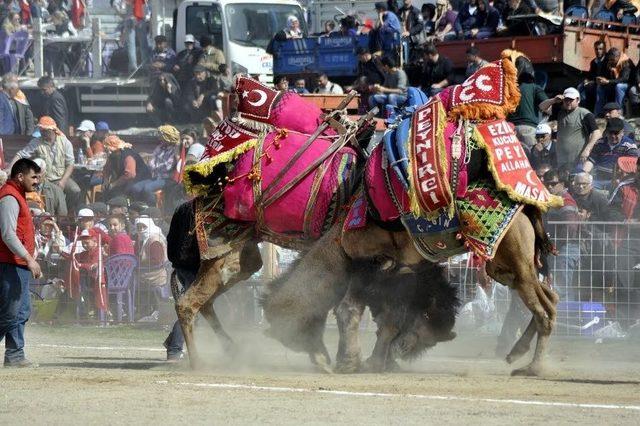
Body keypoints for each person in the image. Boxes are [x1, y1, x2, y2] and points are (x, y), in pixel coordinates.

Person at [0, 158, 42, 368]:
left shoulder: (18, 196)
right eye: (33, 177)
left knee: (21, 311)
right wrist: (29, 258)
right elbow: (8, 234)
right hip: (9, 263)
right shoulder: (9, 197)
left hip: (18, 263)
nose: (37, 181)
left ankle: (15, 355)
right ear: (20, 176)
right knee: (9, 312)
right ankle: (15, 354)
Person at [11, 116, 81, 213]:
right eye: (41, 130)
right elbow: (21, 154)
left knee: (75, 190)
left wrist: (63, 181)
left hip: (60, 177)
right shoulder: (37, 142)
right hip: (44, 179)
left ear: (52, 130)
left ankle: (66, 212)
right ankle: (50, 215)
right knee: (50, 194)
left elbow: (70, 164)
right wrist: (10, 168)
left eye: (44, 131)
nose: (42, 133)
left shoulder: (65, 142)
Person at [539, 87, 601, 172]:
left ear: (578, 100)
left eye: (571, 100)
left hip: (578, 158)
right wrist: (553, 100)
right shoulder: (560, 111)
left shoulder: (584, 114)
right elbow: (542, 107)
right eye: (566, 100)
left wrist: (587, 150)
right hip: (561, 158)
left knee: (575, 181)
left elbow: (597, 133)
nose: (568, 102)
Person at [542, 169, 580, 302]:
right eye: (547, 184)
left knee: (561, 288)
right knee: (557, 285)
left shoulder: (566, 201)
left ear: (563, 184)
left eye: (553, 183)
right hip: (558, 248)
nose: (549, 187)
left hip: (566, 248)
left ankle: (566, 317)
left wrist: (555, 244)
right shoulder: (555, 200)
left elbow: (570, 227)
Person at [130, 125, 180, 206]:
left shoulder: (174, 150)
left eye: (161, 136)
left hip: (168, 179)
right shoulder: (160, 147)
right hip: (156, 177)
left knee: (147, 188)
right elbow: (152, 161)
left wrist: (155, 166)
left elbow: (167, 167)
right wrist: (154, 165)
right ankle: (139, 206)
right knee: (135, 187)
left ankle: (152, 208)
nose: (159, 138)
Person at [583, 117, 639, 187]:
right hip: (598, 180)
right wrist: (584, 174)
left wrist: (620, 180)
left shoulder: (630, 146)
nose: (613, 136)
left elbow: (632, 169)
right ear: (606, 132)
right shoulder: (599, 143)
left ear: (622, 132)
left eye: (616, 133)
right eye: (610, 132)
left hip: (620, 181)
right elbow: (591, 160)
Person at [508, 64, 548, 151]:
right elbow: (546, 104)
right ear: (532, 80)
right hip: (528, 128)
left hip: (510, 129)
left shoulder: (511, 90)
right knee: (531, 158)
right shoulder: (535, 88)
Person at [135, 217, 168, 319]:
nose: (141, 230)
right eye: (138, 227)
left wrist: (140, 263)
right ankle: (144, 312)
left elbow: (156, 260)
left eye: (143, 227)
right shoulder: (144, 240)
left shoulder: (154, 240)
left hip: (156, 274)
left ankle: (149, 312)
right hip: (146, 273)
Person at [102, 134, 151, 200]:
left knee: (127, 190)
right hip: (125, 179)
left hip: (139, 179)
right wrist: (106, 180)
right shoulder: (112, 156)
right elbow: (106, 168)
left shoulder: (128, 155)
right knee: (107, 190)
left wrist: (114, 184)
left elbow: (130, 175)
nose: (107, 151)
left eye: (108, 149)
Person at [595, 47, 631, 117]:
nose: (611, 61)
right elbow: (605, 75)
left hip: (627, 85)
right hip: (614, 83)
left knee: (619, 86)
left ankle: (619, 112)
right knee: (600, 87)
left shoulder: (626, 62)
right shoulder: (610, 62)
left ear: (617, 57)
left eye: (612, 59)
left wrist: (608, 81)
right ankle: (599, 113)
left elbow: (624, 79)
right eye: (610, 59)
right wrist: (601, 79)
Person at [578, 41, 607, 111]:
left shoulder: (607, 60)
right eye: (596, 49)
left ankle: (597, 112)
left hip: (604, 82)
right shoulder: (593, 62)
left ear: (604, 49)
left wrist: (594, 81)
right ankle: (582, 110)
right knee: (580, 86)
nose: (598, 51)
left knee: (596, 88)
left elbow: (607, 75)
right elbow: (590, 75)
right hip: (594, 82)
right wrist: (586, 80)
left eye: (600, 49)